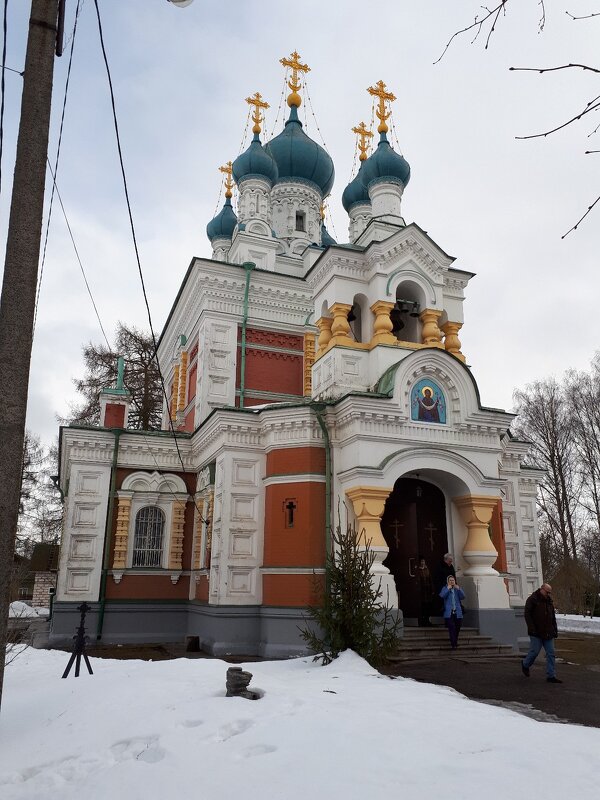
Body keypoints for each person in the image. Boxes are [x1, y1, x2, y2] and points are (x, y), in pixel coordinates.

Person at [521, 583, 562, 683]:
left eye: (549, 593)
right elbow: (527, 615)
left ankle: (551, 675)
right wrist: (532, 629)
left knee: (551, 653)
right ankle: (525, 664)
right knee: (534, 652)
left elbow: (552, 617)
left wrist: (555, 630)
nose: (548, 594)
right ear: (542, 589)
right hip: (536, 632)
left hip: (548, 632)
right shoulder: (532, 599)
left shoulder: (549, 601)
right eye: (547, 592)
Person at [439, 575, 465, 649]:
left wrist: (459, 589)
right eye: (450, 580)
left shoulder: (457, 589)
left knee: (457, 628)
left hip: (458, 612)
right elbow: (442, 595)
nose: (452, 582)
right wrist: (448, 588)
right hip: (449, 613)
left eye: (453, 580)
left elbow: (463, 596)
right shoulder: (445, 588)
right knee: (452, 627)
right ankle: (453, 644)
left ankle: (455, 642)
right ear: (447, 581)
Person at [416, 557, 434, 627]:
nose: (422, 563)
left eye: (423, 561)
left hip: (427, 590)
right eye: (421, 561)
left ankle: (427, 620)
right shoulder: (418, 570)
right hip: (421, 591)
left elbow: (430, 579)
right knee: (422, 605)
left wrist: (432, 589)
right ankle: (422, 621)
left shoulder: (427, 569)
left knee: (428, 605)